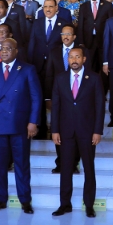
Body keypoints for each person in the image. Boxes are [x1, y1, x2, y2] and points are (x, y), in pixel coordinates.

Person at [0, 38, 42, 214]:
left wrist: (33, 121)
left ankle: (25, 200)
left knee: (22, 165)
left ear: (16, 51)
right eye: (2, 48)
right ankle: (0, 199)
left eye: (8, 48)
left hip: (20, 125)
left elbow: (36, 98)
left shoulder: (27, 69)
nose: (4, 51)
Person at [51, 47, 104, 217]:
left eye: (77, 57)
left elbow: (100, 107)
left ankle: (89, 205)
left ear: (84, 59)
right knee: (65, 169)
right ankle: (64, 204)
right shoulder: (60, 79)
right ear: (68, 59)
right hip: (66, 132)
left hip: (87, 132)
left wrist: (97, 131)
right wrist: (54, 130)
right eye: (71, 57)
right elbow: (56, 107)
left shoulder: (94, 79)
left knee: (89, 168)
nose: (74, 60)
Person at [44, 25, 86, 173]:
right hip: (59, 99)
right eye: (63, 34)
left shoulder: (81, 52)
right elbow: (48, 75)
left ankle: (74, 163)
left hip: (77, 99)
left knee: (76, 132)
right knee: (59, 131)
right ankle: (60, 163)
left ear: (74, 36)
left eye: (69, 34)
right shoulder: (54, 51)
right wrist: (48, 97)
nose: (66, 36)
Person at [28, 0, 71, 137]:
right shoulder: (37, 23)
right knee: (38, 97)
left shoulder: (64, 23)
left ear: (56, 8)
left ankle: (58, 129)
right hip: (38, 66)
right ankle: (40, 129)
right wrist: (30, 63)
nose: (48, 9)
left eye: (51, 6)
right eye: (45, 6)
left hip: (56, 68)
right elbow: (32, 43)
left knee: (58, 99)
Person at [77, 0, 113, 75]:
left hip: (103, 40)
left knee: (104, 65)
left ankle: (104, 88)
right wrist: (81, 41)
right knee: (90, 66)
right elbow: (81, 25)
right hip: (88, 41)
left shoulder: (107, 5)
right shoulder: (84, 6)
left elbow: (112, 24)